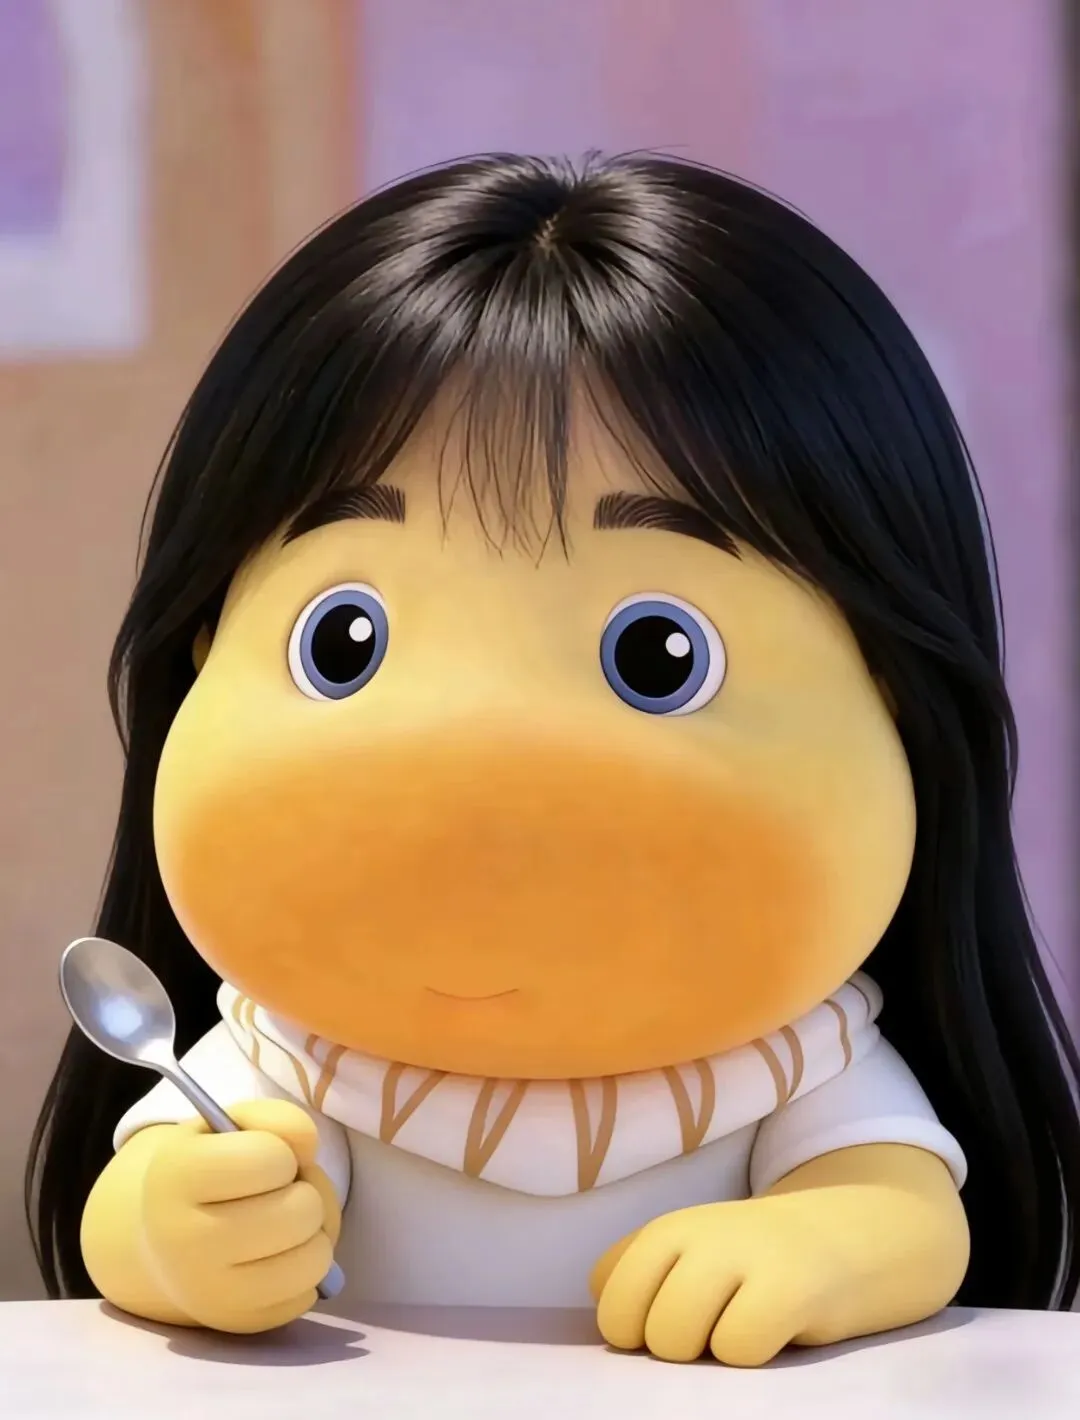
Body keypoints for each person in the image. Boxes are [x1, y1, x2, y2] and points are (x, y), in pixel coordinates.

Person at [26, 152, 1080, 1365]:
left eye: (659, 657)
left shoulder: (796, 1068)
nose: (475, 770)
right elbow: (135, 1208)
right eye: (344, 642)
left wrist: (827, 1245)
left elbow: (906, 1212)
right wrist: (179, 1234)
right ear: (205, 649)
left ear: (894, 697)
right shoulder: (288, 1061)